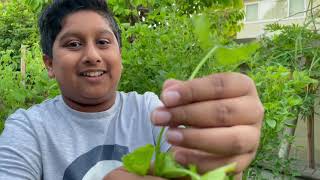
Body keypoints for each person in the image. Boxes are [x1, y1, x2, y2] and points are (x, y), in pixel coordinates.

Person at [0, 0, 264, 179]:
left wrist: (223, 161)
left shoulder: (149, 109)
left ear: (120, 56)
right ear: (50, 64)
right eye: (73, 44)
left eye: (103, 41)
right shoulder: (28, 129)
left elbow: (195, 165)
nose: (92, 55)